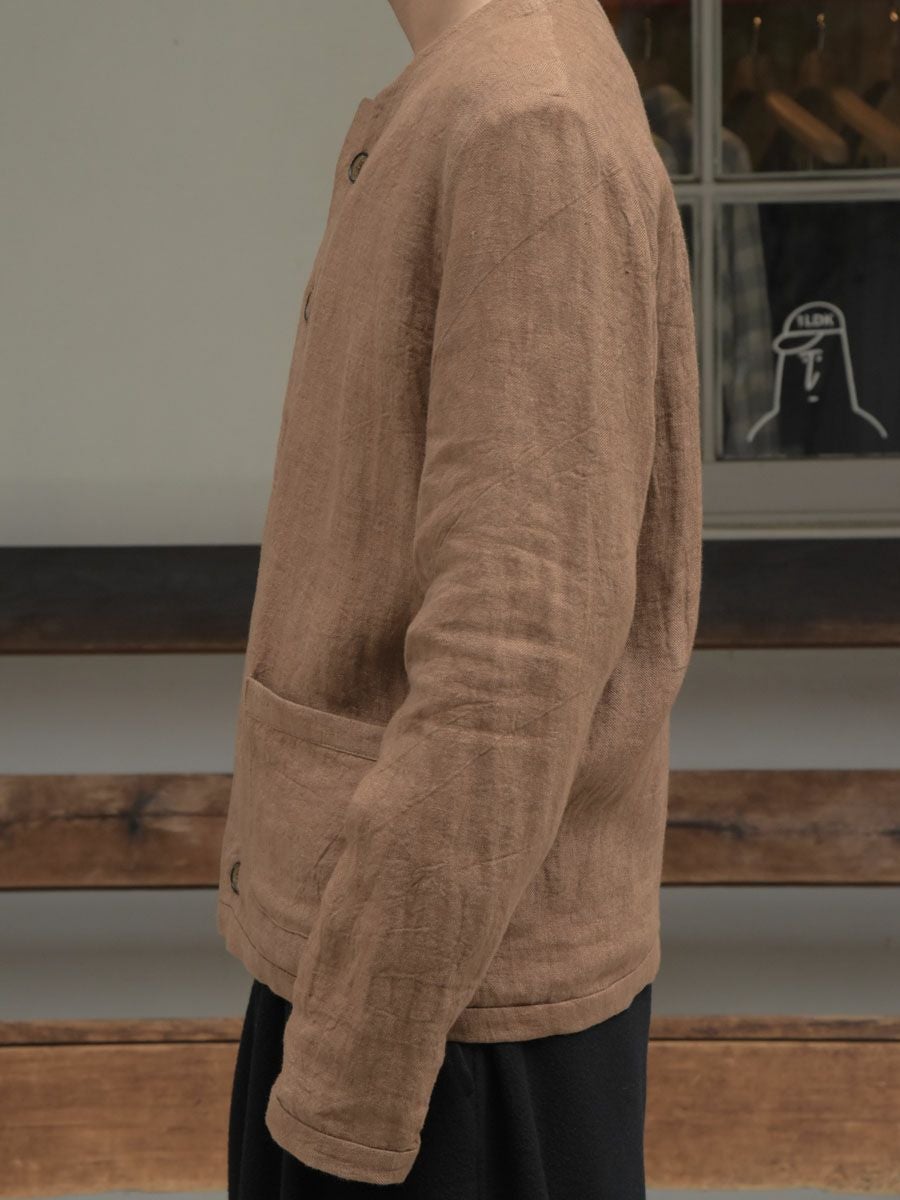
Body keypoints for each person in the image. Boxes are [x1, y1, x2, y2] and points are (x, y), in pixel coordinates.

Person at [220, 0, 703, 1195]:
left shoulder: (525, 116)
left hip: (437, 1019)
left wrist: (351, 1077)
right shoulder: (483, 94)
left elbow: (514, 652)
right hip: (392, 973)